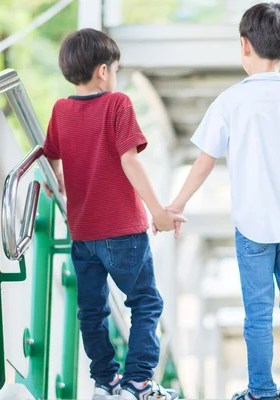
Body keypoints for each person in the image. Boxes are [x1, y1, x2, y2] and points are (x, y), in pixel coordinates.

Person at [167, 3, 280, 400]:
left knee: (258, 315)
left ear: (244, 46)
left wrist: (176, 205)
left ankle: (261, 390)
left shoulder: (230, 101)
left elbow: (203, 163)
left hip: (252, 228)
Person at [43, 28, 183, 400]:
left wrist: (57, 180)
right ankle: (137, 381)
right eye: (116, 69)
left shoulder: (61, 110)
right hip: (123, 230)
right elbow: (129, 162)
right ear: (104, 71)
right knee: (145, 302)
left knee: (92, 309)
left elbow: (50, 154)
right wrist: (160, 212)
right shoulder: (117, 103)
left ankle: (105, 381)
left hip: (83, 232)